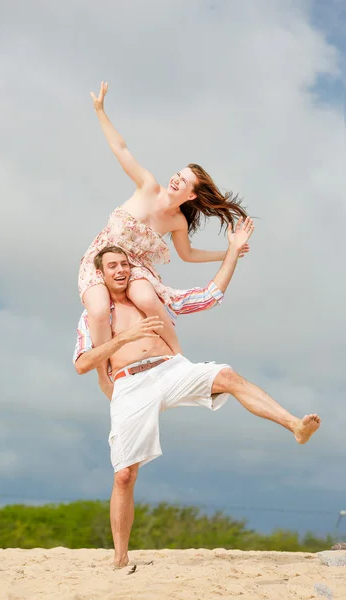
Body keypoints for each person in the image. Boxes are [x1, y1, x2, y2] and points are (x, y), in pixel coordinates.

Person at [73, 219, 321, 568]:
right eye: (112, 266)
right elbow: (82, 364)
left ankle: (295, 425)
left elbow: (207, 295)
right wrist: (124, 339)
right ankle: (120, 556)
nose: (121, 270)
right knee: (124, 474)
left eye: (125, 264)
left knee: (228, 375)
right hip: (130, 383)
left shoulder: (150, 297)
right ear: (100, 273)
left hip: (169, 368)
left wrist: (232, 251)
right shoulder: (93, 316)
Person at [80, 81, 249, 398]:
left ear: (192, 194)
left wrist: (228, 253)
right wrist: (100, 111)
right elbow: (122, 149)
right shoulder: (147, 186)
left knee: (146, 300)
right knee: (100, 311)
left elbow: (187, 255)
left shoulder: (177, 222)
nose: (175, 178)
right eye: (177, 173)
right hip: (101, 259)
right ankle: (105, 376)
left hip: (136, 267)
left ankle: (177, 357)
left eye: (183, 180)